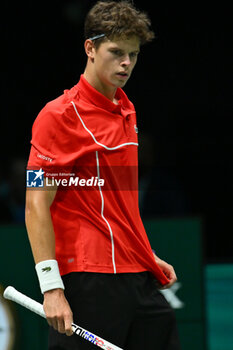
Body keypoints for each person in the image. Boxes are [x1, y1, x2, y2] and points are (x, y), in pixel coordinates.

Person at [25, 1, 181, 349]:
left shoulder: (126, 109)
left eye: (133, 54)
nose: (126, 63)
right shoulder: (57, 116)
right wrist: (51, 288)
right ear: (90, 48)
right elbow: (36, 205)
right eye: (116, 52)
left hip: (134, 271)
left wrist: (145, 252)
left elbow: (115, 199)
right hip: (88, 277)